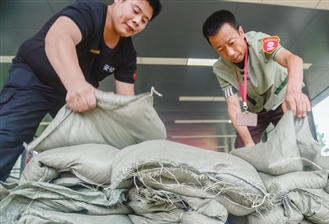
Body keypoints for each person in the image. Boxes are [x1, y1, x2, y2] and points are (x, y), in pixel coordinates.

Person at [0, 0, 162, 181]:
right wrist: (76, 83)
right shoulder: (88, 12)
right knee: (9, 136)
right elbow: (59, 37)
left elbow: (128, 103)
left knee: (86, 148)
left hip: (74, 96)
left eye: (144, 20)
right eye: (135, 10)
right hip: (35, 79)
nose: (137, 21)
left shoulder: (127, 53)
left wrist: (137, 142)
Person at [202, 10, 311, 149]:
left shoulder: (260, 43)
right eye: (220, 49)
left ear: (241, 32)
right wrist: (248, 142)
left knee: (298, 146)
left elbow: (294, 60)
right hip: (254, 109)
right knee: (242, 149)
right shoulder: (220, 69)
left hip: (281, 100)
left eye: (231, 43)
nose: (230, 53)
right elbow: (233, 106)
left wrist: (294, 92)